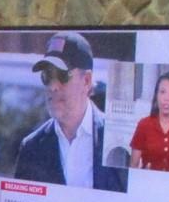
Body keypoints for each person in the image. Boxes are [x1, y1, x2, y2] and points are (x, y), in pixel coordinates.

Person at [11, 32, 127, 192]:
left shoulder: (118, 141)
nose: (53, 86)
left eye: (62, 75)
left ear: (86, 80)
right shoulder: (31, 148)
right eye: (47, 76)